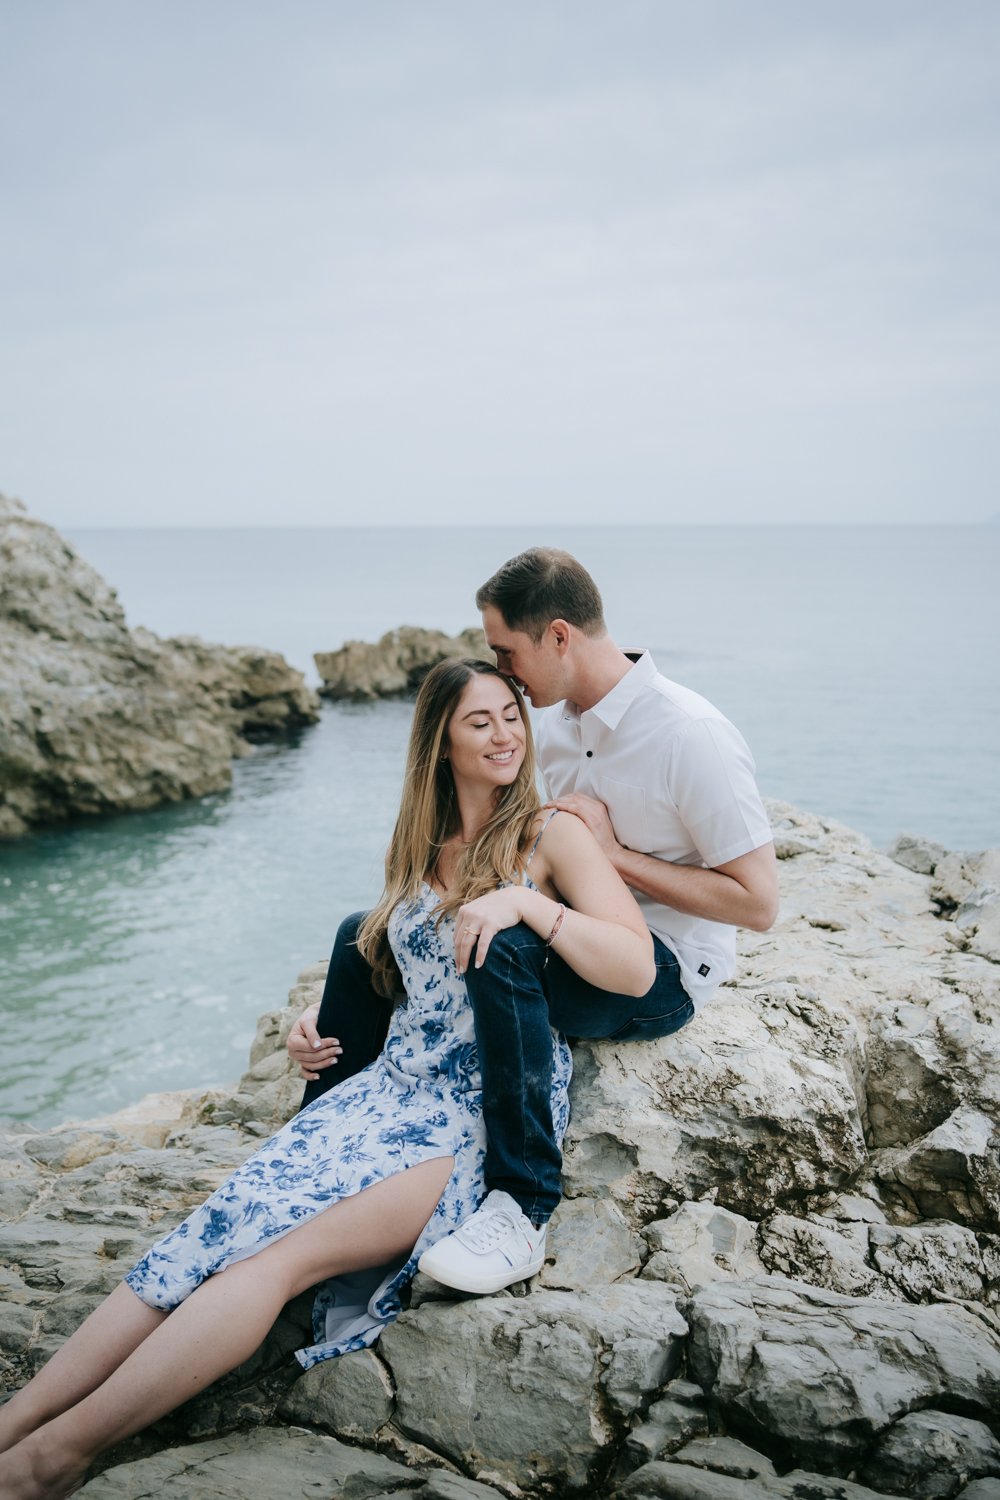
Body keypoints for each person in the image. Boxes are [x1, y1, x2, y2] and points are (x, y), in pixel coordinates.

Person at [0, 657, 654, 1500]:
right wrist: (317, 1026)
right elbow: (400, 972)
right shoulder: (418, 845)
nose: (504, 735)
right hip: (382, 1095)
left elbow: (635, 967)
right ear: (440, 743)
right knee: (205, 1230)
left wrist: (529, 905)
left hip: (467, 1119)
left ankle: (51, 1461)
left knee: (273, 1261)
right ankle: (16, 1421)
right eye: (479, 721)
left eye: (512, 716)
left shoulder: (547, 835)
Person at [288, 548, 778, 1293]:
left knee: (505, 944)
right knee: (362, 937)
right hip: (558, 934)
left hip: (656, 968)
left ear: (557, 637)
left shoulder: (689, 733)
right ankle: (311, 1151)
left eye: (505, 652)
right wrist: (342, 998)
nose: (504, 673)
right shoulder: (543, 725)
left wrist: (618, 858)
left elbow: (757, 903)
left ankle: (522, 1207)